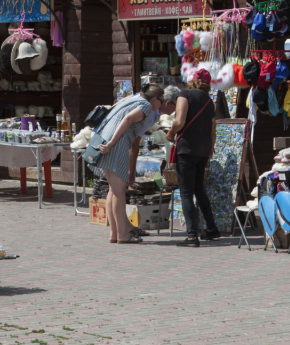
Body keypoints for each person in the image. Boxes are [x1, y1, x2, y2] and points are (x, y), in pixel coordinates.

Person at [93, 83, 165, 244]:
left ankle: (114, 233)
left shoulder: (132, 98)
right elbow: (128, 119)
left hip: (101, 139)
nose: (162, 104)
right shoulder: (146, 105)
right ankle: (123, 235)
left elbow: (112, 109)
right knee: (119, 191)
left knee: (113, 189)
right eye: (161, 100)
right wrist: (112, 142)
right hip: (116, 144)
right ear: (155, 99)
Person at [167, 70, 218, 247]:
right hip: (203, 149)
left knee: (186, 192)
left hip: (187, 148)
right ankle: (212, 228)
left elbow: (179, 121)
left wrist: (171, 132)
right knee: (199, 189)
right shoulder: (210, 101)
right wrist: (210, 149)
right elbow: (213, 132)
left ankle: (191, 236)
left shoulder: (185, 94)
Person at [128, 85, 180, 187]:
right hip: (114, 146)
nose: (177, 110)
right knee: (117, 190)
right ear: (168, 103)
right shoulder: (150, 112)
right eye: (177, 106)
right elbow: (134, 143)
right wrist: (131, 173)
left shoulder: (154, 111)